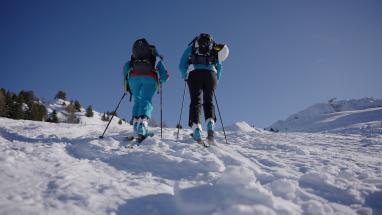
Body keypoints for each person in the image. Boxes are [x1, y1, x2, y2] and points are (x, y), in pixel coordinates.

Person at [179, 33, 229, 143]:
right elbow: (219, 65)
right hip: (211, 75)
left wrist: (185, 76)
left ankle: (197, 130)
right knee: (209, 101)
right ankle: (210, 127)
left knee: (196, 101)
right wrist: (216, 77)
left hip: (194, 74)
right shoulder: (214, 48)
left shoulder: (192, 47)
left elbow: (182, 64)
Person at [123, 38, 169, 141]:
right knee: (146, 99)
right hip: (149, 78)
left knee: (137, 100)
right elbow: (165, 76)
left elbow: (126, 67)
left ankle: (136, 126)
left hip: (133, 79)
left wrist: (126, 85)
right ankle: (142, 126)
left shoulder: (134, 57)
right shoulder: (154, 57)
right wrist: (161, 81)